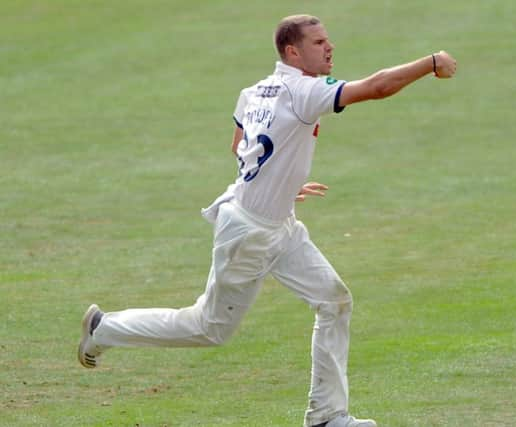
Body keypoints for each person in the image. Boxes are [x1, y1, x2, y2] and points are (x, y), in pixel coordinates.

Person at [78, 14, 457, 427]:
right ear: (292, 52)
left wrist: (280, 184)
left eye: (327, 40)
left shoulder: (254, 91)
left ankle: (328, 417)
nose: (329, 48)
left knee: (334, 301)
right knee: (209, 327)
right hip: (250, 232)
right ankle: (104, 328)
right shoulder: (304, 90)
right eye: (318, 43)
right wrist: (431, 62)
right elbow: (377, 86)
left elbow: (240, 145)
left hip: (279, 224)